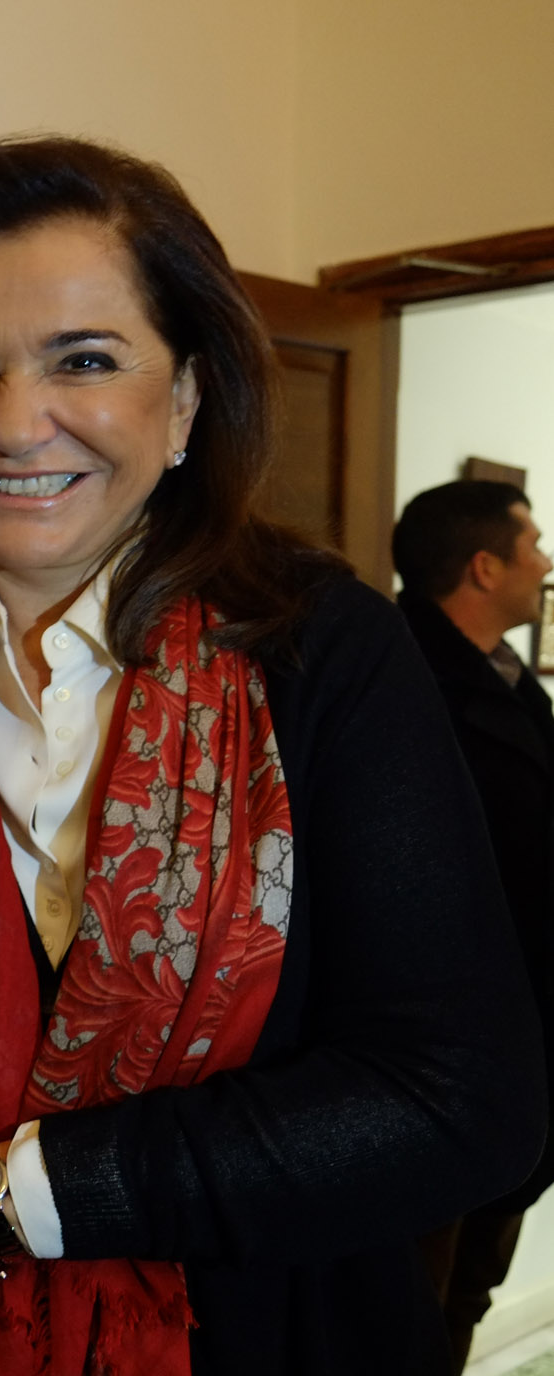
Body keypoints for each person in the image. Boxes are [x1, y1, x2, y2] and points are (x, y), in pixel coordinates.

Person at [0, 137, 547, 1374]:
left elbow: (463, 1101)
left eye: (84, 360)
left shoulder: (323, 653)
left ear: (184, 401)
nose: (15, 422)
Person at [393, 479, 554, 1370]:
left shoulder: (505, 677)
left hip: (519, 1038)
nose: (545, 563)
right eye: (534, 544)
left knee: (469, 1284)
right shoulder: (404, 679)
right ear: (485, 567)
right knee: (409, 1297)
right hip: (440, 1051)